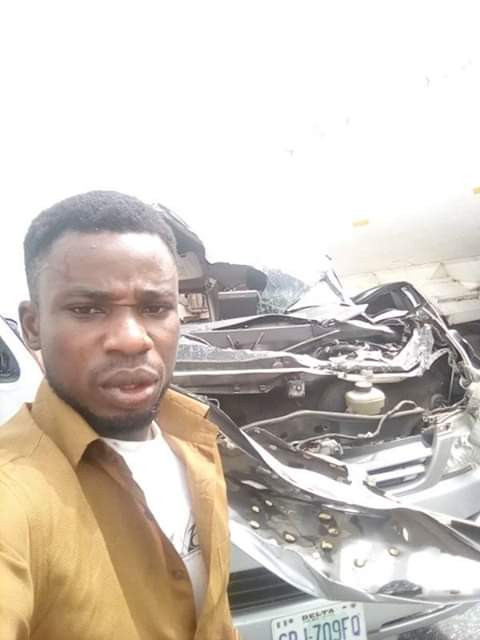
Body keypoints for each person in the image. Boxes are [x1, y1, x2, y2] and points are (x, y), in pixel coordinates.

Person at [0, 191, 238, 640]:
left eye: (155, 308)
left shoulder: (196, 443)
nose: (131, 340)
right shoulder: (13, 491)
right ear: (32, 326)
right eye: (87, 309)